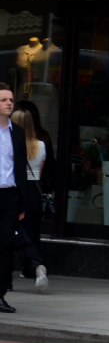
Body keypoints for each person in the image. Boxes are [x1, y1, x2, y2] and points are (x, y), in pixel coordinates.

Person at [0, 83, 39, 313]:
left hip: (9, 196)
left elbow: (20, 168)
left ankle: (1, 294)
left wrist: (21, 202)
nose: (9, 103)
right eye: (4, 100)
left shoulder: (18, 132)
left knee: (4, 247)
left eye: (11, 100)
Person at [11, 107, 48, 292]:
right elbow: (38, 174)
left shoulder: (11, 145)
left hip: (16, 189)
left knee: (11, 232)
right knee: (33, 231)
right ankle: (33, 267)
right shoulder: (40, 145)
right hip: (34, 190)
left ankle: (7, 274)